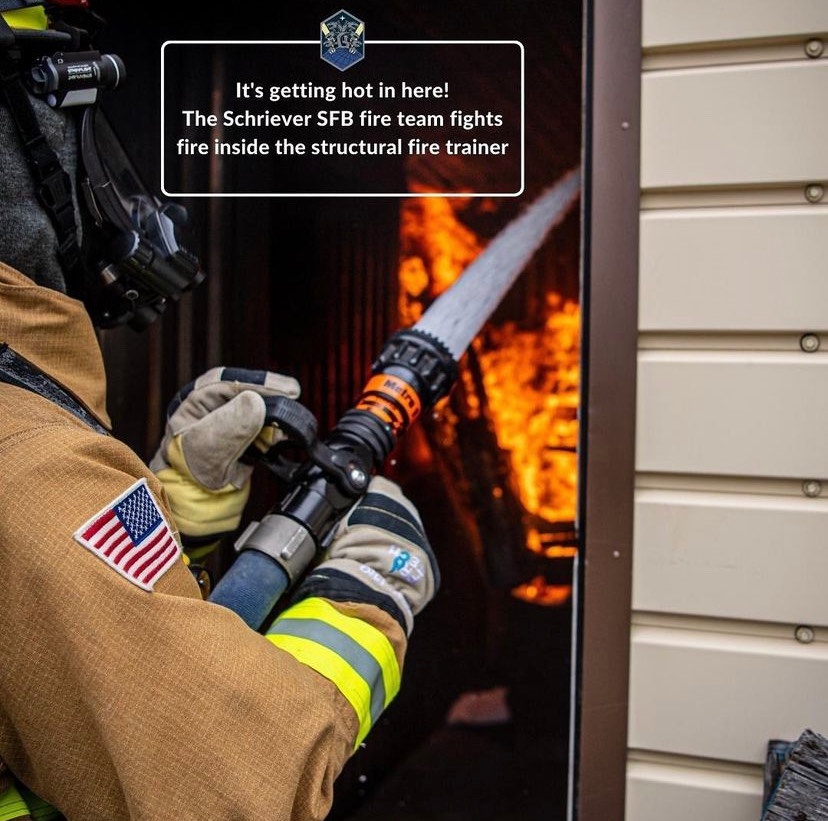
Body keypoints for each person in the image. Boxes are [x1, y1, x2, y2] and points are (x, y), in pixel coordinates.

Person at [0, 3, 438, 819]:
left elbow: (74, 661)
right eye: (70, 124)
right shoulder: (24, 465)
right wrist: (369, 594)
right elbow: (240, 789)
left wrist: (176, 514)